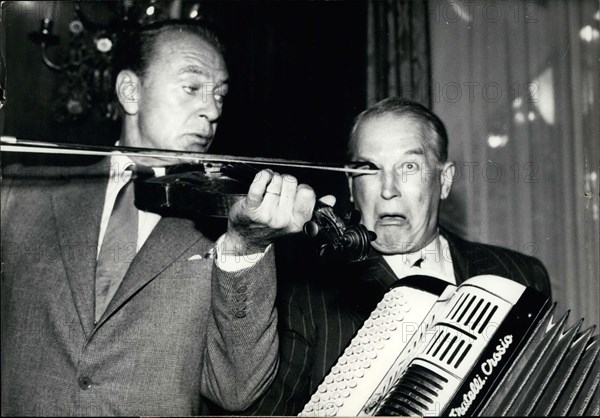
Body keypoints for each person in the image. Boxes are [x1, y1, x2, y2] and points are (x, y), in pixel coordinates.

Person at [1, 20, 327, 416]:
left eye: (220, 96)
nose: (211, 110)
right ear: (131, 92)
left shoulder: (224, 224)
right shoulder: (21, 192)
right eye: (192, 88)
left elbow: (236, 390)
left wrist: (247, 246)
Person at [244, 97, 552, 415]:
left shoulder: (520, 275)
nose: (389, 189)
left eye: (408, 167)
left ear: (444, 181)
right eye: (370, 169)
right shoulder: (306, 298)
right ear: (351, 186)